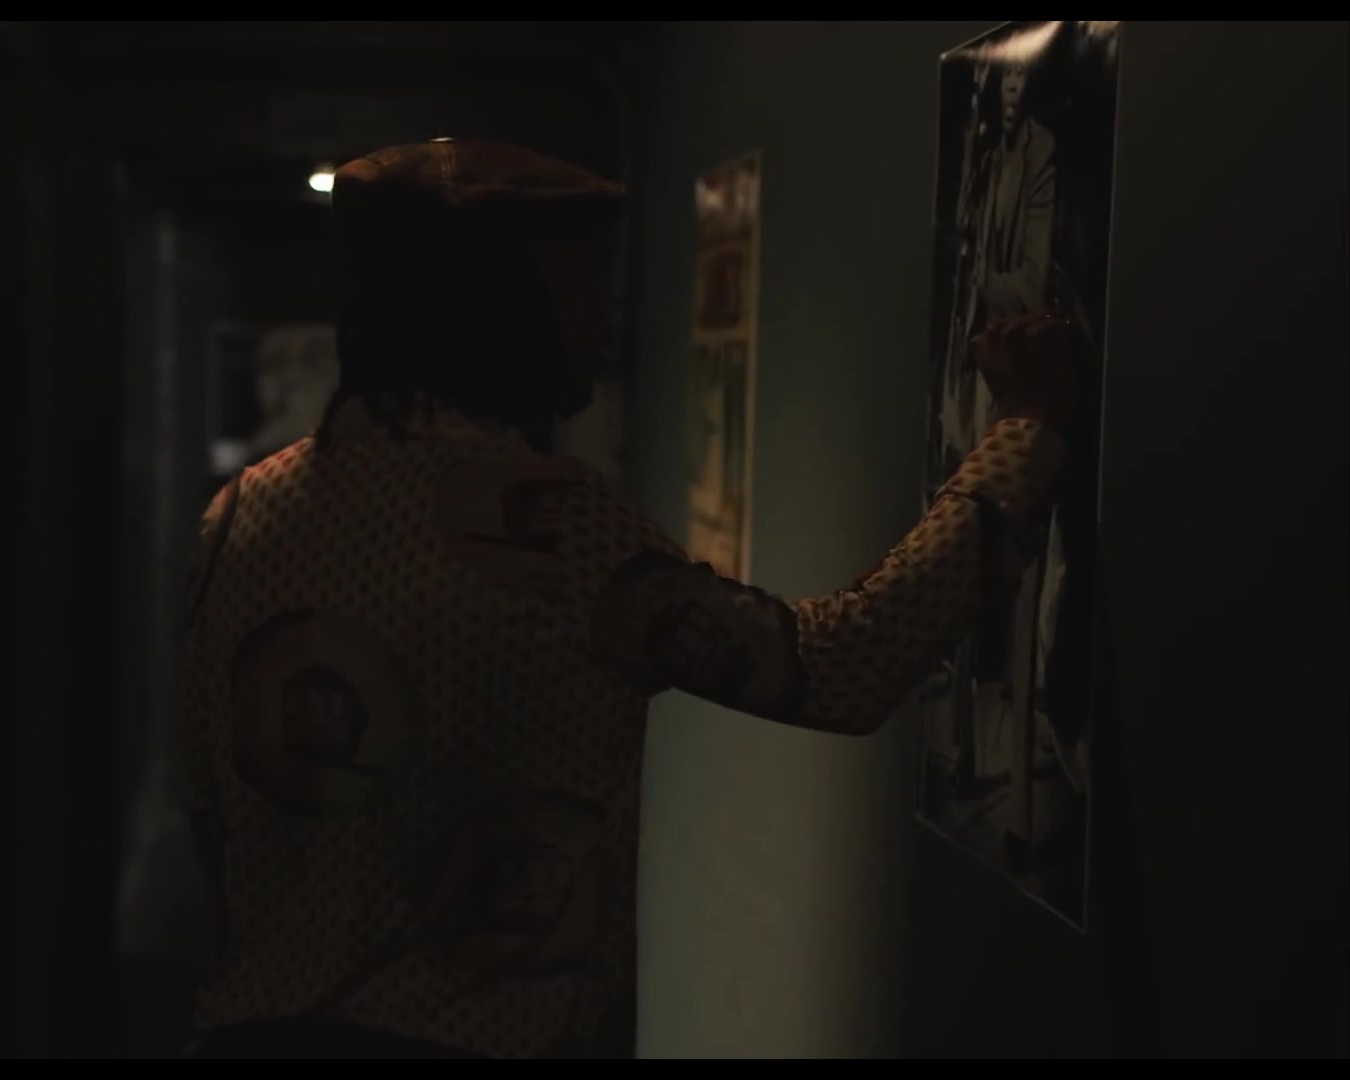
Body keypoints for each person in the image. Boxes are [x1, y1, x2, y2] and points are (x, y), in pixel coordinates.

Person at [180, 139, 1077, 1059]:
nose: (604, 315)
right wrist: (1026, 430)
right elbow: (842, 667)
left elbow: (206, 805)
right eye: (578, 281)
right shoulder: (547, 524)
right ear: (499, 302)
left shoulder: (239, 512)